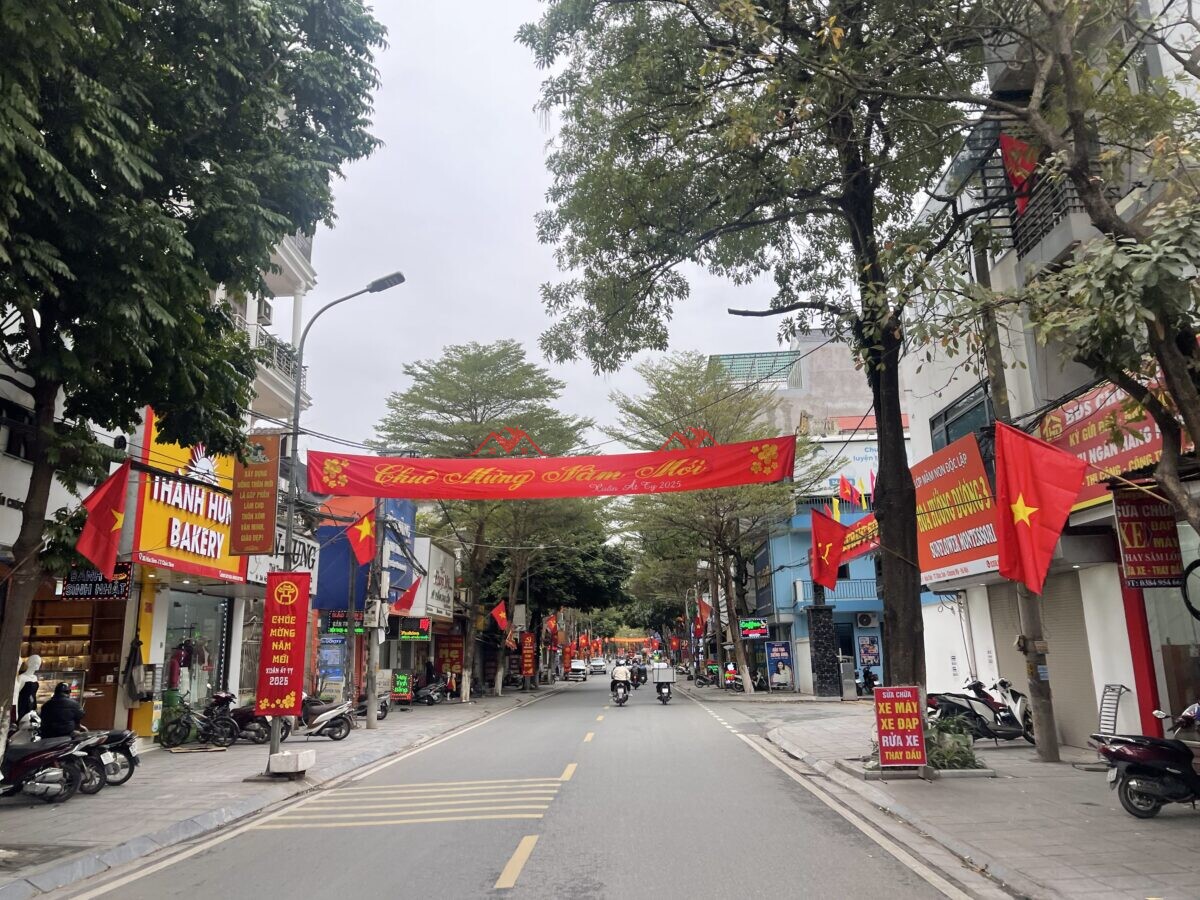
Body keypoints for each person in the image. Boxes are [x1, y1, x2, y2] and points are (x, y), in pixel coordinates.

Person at [13, 654, 41, 721]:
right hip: (23, 706)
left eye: (39, 663)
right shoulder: (21, 678)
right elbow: (16, 695)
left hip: (32, 705)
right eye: (36, 662)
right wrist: (15, 711)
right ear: (30, 663)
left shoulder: (35, 678)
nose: (38, 665)